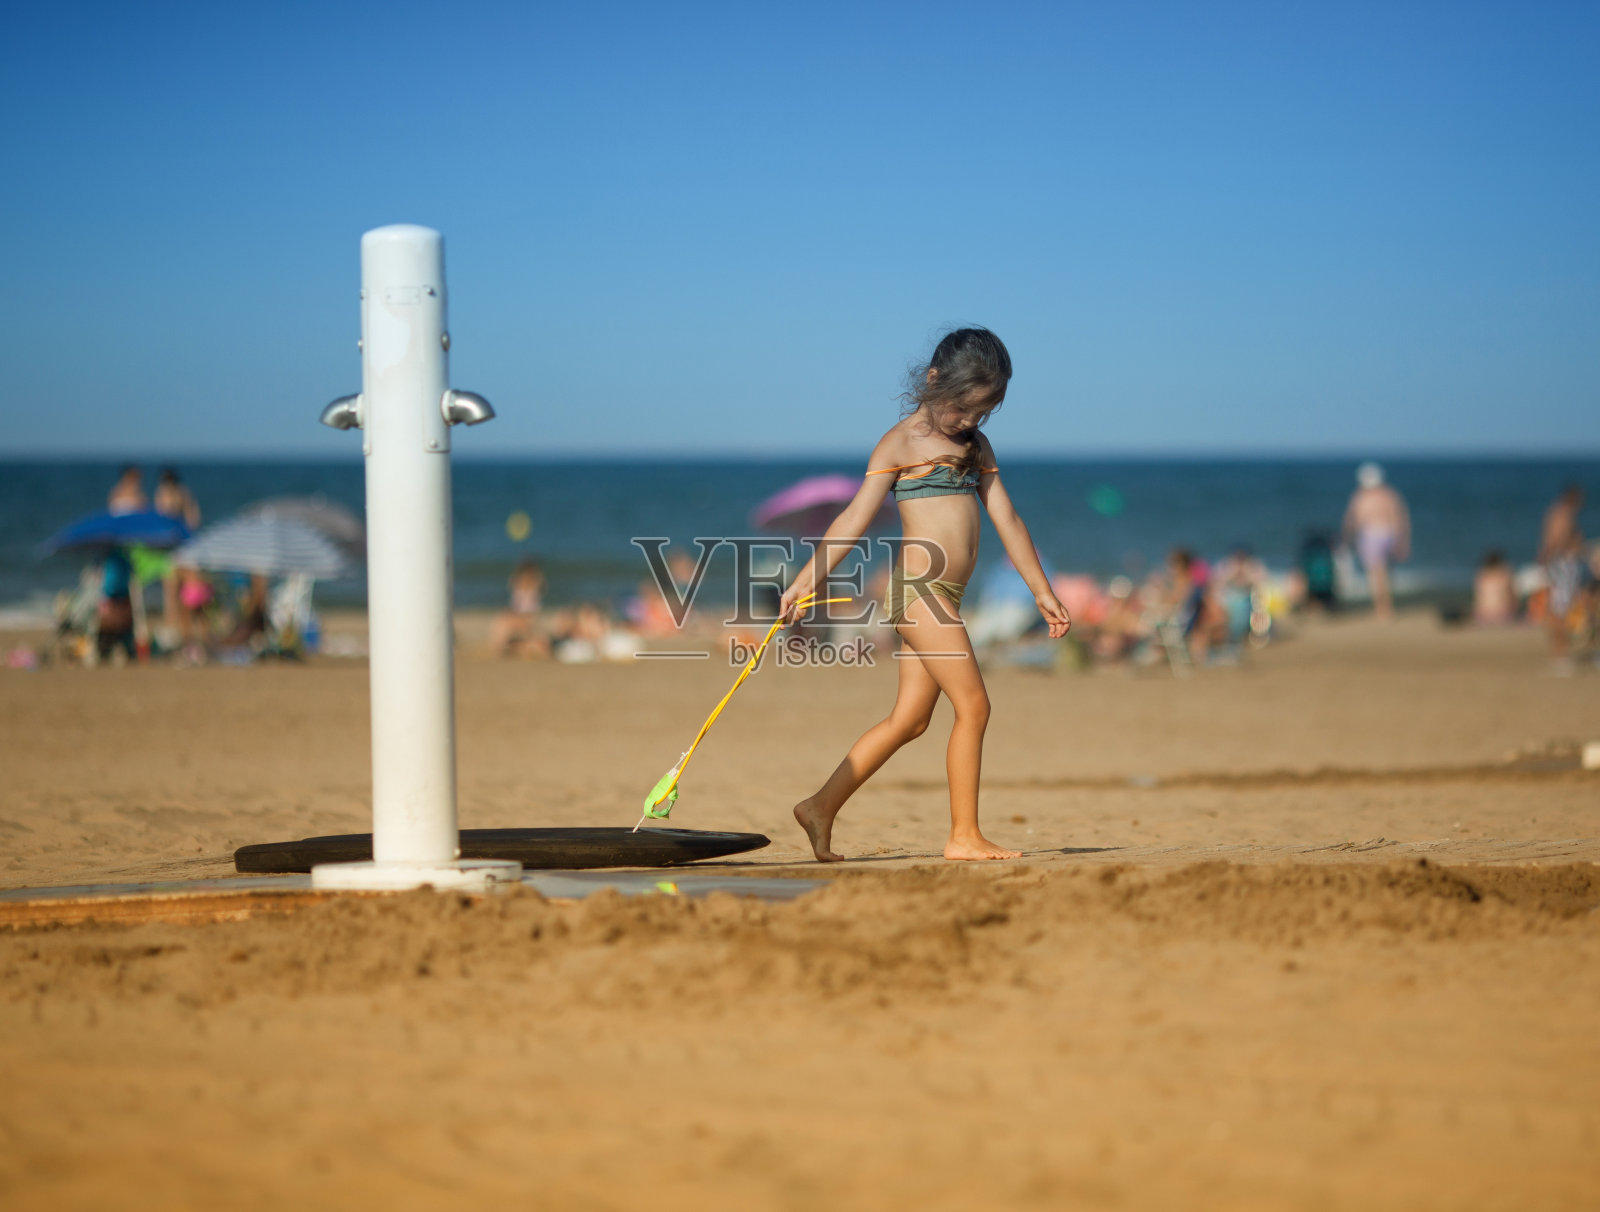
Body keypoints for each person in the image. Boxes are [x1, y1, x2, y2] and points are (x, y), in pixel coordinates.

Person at [778, 328, 1071, 863]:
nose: (968, 421)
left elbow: (1006, 516)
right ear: (934, 381)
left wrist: (1040, 590)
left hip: (946, 597)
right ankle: (963, 835)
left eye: (982, 412)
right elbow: (852, 519)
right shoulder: (900, 443)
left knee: (910, 720)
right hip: (916, 592)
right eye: (962, 407)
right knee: (975, 706)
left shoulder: (975, 446)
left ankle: (820, 806)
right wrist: (806, 580)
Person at [1342, 462, 1410, 622]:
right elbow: (1400, 517)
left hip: (1371, 535)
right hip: (1389, 534)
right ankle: (1387, 607)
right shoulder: (1390, 495)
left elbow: (1352, 519)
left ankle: (1381, 610)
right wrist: (1403, 540)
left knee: (1375, 575)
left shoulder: (1361, 496)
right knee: (1385, 573)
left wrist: (1347, 537)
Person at [1539, 486, 1587, 671]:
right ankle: (1562, 655)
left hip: (1556, 562)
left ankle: (1559, 654)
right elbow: (1557, 539)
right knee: (1561, 609)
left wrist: (1544, 557)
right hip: (1563, 563)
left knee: (1556, 607)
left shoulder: (1553, 511)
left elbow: (1549, 539)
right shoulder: (1565, 514)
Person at [489, 560, 548, 658]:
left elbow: (541, 584)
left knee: (502, 622)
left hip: (526, 617)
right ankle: (506, 647)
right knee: (501, 621)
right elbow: (513, 582)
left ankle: (502, 647)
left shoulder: (535, 584)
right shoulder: (520, 584)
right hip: (520, 616)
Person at [1472, 550, 1516, 626]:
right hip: (1503, 613)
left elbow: (1478, 597)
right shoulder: (1505, 573)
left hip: (1483, 613)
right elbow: (1513, 597)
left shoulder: (1481, 575)